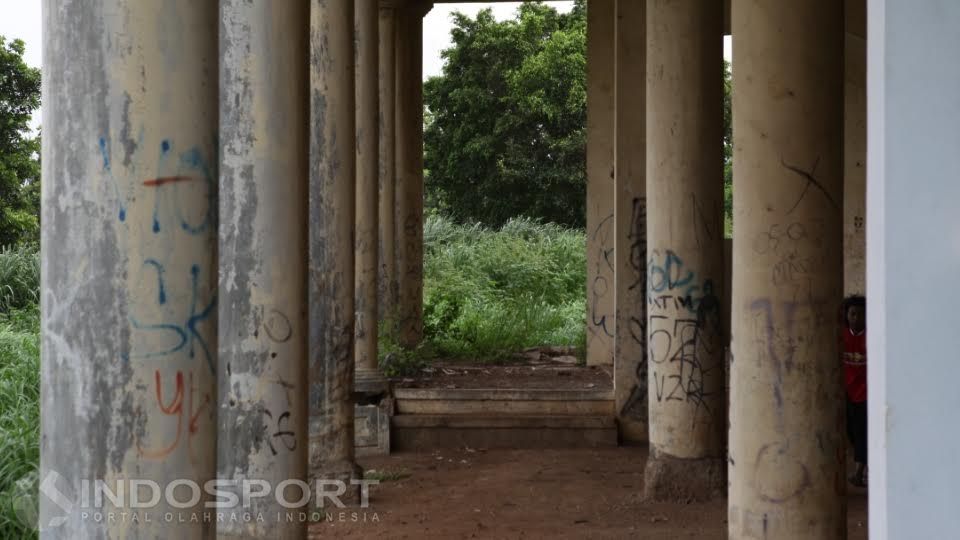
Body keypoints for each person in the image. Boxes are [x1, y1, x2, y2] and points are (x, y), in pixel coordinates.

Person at [841, 295, 867, 487]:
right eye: (853, 314)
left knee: (861, 431)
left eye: (860, 314)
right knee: (851, 431)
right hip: (847, 392)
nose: (856, 318)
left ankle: (859, 471)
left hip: (865, 393)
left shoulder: (870, 336)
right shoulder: (842, 335)